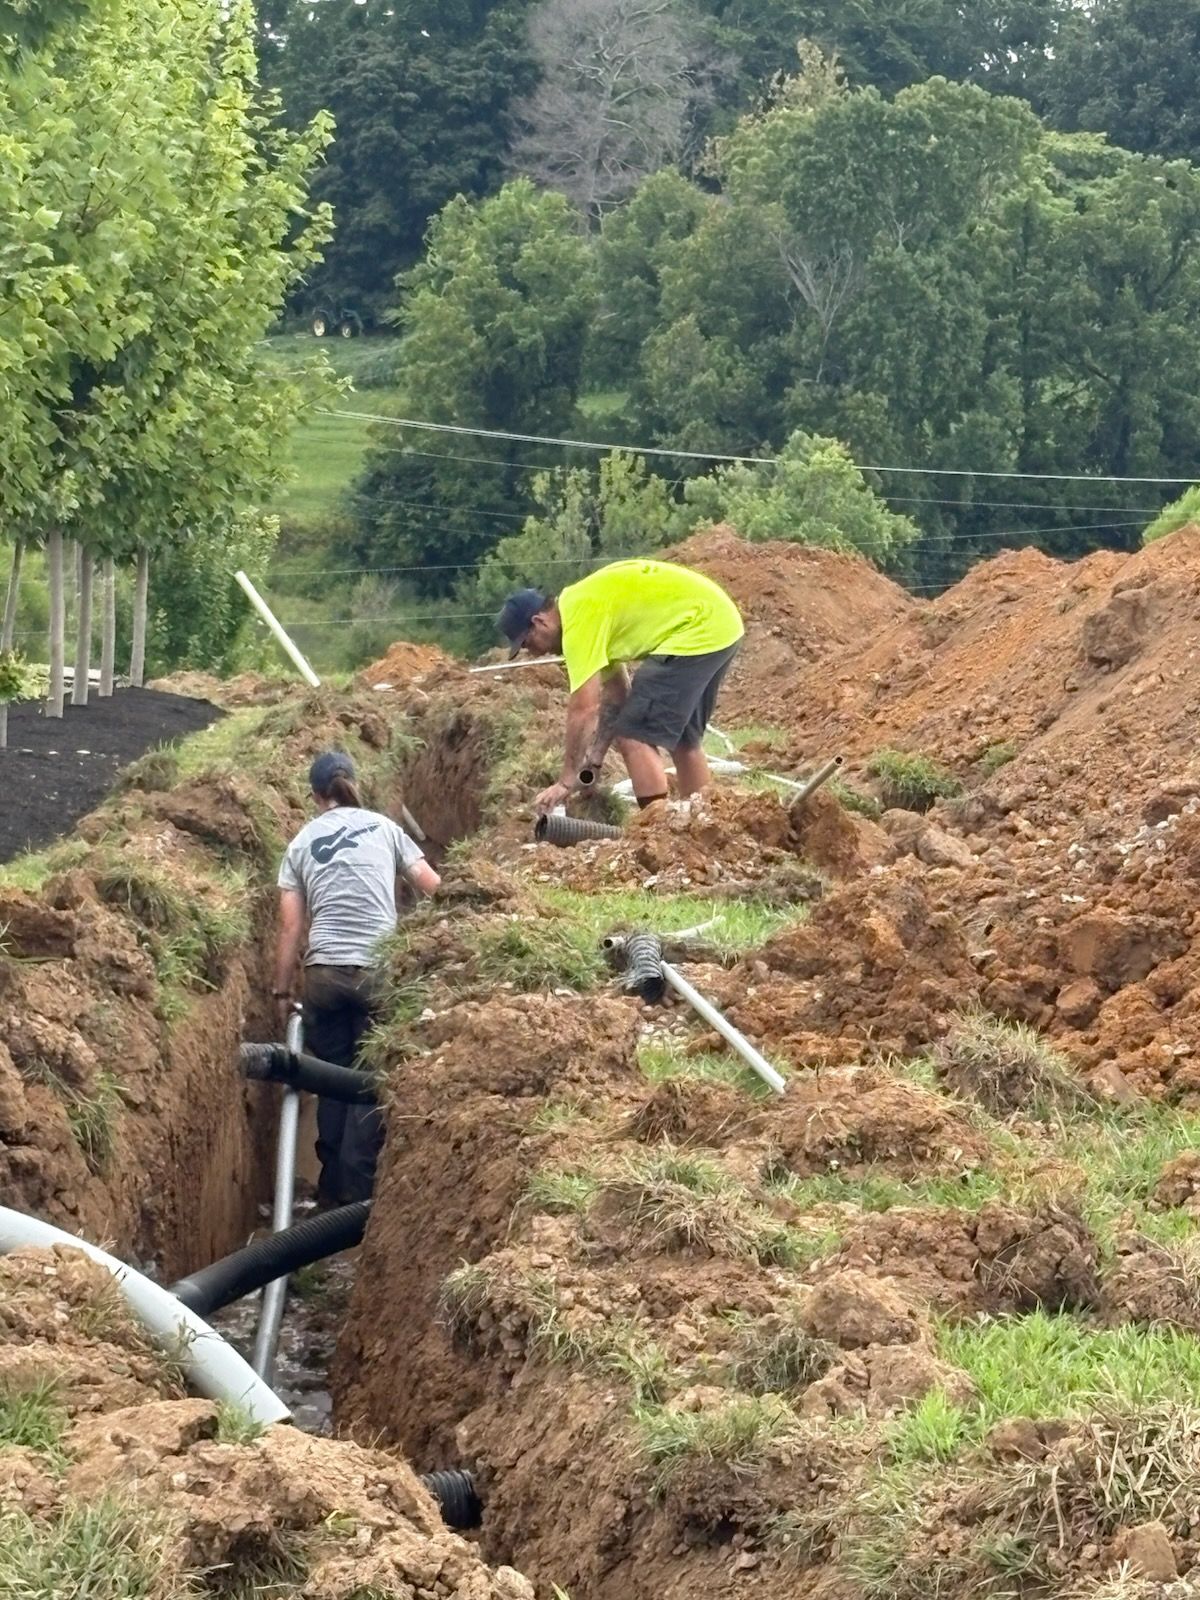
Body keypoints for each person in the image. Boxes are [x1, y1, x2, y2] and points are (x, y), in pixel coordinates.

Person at [273, 750, 440, 1207]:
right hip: (378, 972)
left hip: (323, 976)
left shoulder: (301, 843)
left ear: (315, 796)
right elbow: (433, 887)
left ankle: (329, 1191)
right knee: (369, 1080)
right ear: (353, 785)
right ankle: (360, 1193)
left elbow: (291, 928)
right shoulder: (385, 828)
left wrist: (283, 990)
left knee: (331, 1077)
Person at [497, 558, 744, 812]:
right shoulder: (583, 606)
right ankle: (706, 823)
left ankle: (658, 831)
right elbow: (617, 697)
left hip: (698, 629)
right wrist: (594, 759)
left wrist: (566, 780)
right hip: (720, 624)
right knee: (685, 740)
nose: (534, 653)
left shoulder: (578, 622)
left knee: (633, 736)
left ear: (539, 622)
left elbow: (584, 709)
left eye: (528, 644)